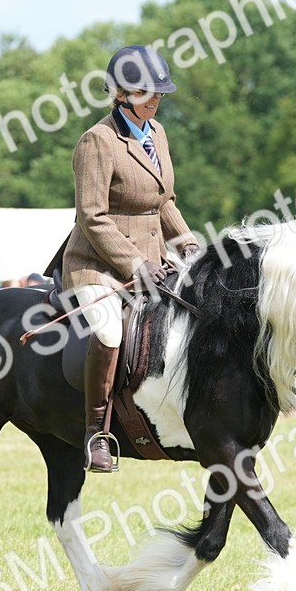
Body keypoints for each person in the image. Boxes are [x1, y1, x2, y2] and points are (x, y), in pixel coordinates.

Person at [50, 45, 200, 473]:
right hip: (96, 264)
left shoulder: (157, 134)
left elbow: (163, 200)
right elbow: (92, 217)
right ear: (119, 93)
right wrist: (135, 264)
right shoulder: (97, 141)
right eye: (143, 92)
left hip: (152, 260)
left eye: (157, 93)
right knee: (111, 331)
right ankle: (97, 432)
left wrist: (187, 243)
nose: (153, 100)